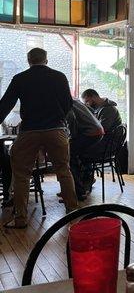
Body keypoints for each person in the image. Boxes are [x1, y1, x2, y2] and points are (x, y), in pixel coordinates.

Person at [0, 48, 77, 228]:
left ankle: (20, 218)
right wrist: (58, 119)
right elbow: (68, 104)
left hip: (29, 131)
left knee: (21, 174)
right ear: (46, 60)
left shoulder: (20, 79)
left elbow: (6, 103)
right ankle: (73, 212)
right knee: (64, 170)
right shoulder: (59, 77)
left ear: (29, 60)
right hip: (56, 129)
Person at [80, 89, 122, 190]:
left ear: (93, 97)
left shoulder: (109, 109)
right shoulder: (100, 109)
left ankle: (83, 183)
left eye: (87, 101)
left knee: (78, 152)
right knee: (79, 148)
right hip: (104, 142)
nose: (86, 105)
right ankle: (83, 182)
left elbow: (101, 130)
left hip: (108, 146)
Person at [66, 99, 104, 200]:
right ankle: (78, 186)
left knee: (68, 157)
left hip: (90, 133)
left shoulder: (66, 103)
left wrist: (71, 137)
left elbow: (71, 118)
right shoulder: (75, 100)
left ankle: (78, 192)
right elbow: (92, 111)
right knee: (76, 155)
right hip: (98, 130)